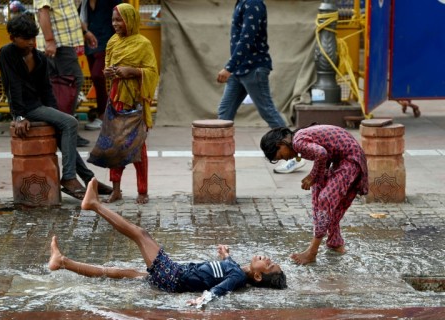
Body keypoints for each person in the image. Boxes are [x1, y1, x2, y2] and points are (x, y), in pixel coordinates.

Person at [48, 177, 287, 307]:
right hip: (173, 278)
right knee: (118, 272)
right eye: (270, 260)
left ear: (257, 276)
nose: (268, 258)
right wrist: (224, 252)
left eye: (268, 265)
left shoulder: (236, 278)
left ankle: (94, 205)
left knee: (141, 234)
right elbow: (227, 265)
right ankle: (62, 262)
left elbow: (217, 290)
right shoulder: (236, 269)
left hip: (173, 275)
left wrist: (202, 300)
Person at [0, 14, 112, 200]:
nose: (30, 43)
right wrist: (18, 116)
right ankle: (68, 178)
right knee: (70, 123)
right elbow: (13, 85)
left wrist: (55, 114)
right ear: (13, 37)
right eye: (25, 39)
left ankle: (90, 180)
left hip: (40, 106)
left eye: (32, 38)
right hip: (26, 108)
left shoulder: (40, 58)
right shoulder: (7, 53)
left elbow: (47, 90)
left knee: (63, 129)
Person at [216, 0, 305, 174]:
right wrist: (233, 67)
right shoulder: (243, 2)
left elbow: (247, 37)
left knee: (268, 111)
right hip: (240, 69)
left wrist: (229, 67)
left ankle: (294, 156)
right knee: (224, 112)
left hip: (253, 68)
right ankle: (216, 156)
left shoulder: (252, 3)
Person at [260, 124, 368, 265]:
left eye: (281, 156)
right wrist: (317, 178)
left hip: (350, 160)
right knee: (318, 195)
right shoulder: (298, 140)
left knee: (325, 199)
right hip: (338, 160)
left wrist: (312, 176)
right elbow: (326, 151)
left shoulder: (298, 142)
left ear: (280, 144)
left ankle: (312, 251)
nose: (286, 160)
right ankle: (335, 243)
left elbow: (322, 153)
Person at [98, 3, 159, 204]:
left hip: (134, 101)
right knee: (115, 146)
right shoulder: (112, 42)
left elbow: (152, 72)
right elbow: (108, 67)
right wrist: (108, 72)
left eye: (119, 20)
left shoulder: (143, 44)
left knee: (137, 146)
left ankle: (143, 191)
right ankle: (116, 190)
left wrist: (132, 72)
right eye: (113, 19)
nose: (115, 24)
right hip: (116, 99)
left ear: (130, 20)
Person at [34, 0, 90, 147]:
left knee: (60, 88)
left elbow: (67, 11)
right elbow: (43, 12)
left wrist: (85, 32)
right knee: (71, 84)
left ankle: (62, 129)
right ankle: (65, 129)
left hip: (63, 43)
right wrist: (50, 41)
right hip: (58, 45)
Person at [78, 0, 122, 131]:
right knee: (95, 78)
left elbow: (120, 17)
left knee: (98, 75)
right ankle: (103, 112)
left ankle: (104, 115)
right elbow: (80, 17)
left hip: (107, 42)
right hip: (90, 43)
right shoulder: (84, 2)